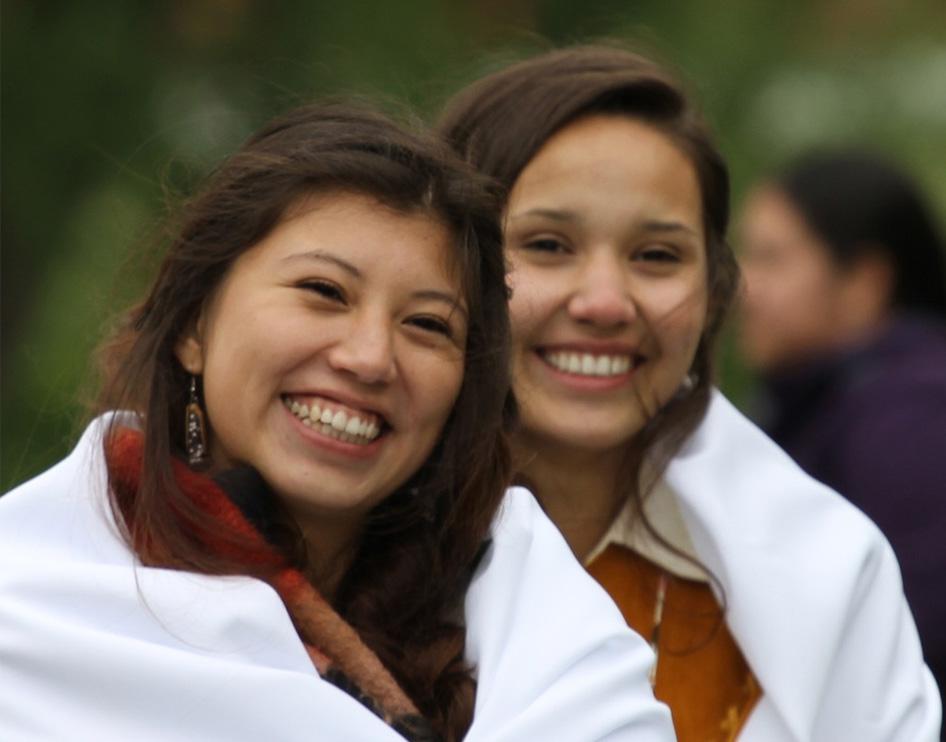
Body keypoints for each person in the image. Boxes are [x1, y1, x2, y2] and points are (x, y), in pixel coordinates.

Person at [0, 102, 676, 741]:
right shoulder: (33, 614)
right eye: (323, 292)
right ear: (193, 325)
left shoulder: (531, 612)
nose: (370, 357)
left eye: (427, 325)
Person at [438, 46, 942, 741]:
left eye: (657, 256)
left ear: (714, 293)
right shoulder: (337, 551)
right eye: (550, 244)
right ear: (448, 267)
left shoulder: (828, 575)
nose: (607, 303)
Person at [739, 149, 946, 704]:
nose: (743, 289)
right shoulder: (823, 402)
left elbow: (911, 638)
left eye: (771, 259)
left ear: (864, 281)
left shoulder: (912, 419)